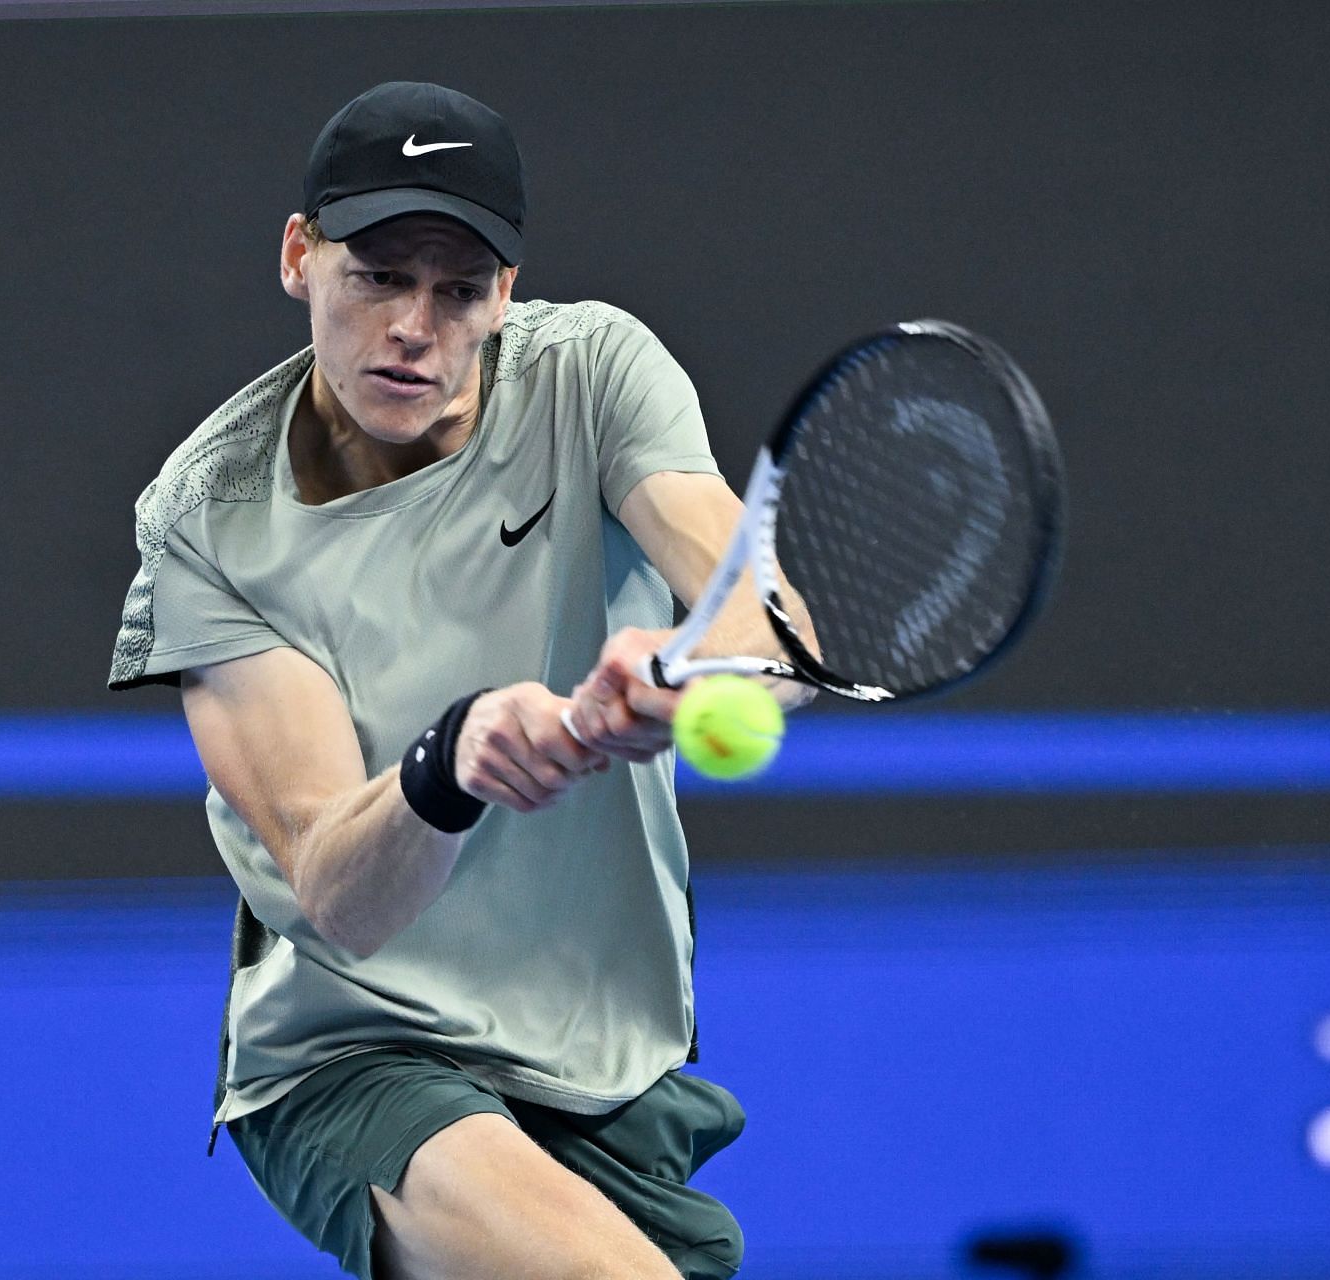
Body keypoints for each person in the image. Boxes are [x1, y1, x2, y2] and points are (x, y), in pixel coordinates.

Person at [108, 80, 809, 1280]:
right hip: (352, 1054)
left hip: (604, 1060)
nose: (413, 326)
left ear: (506, 296)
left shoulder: (593, 374)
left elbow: (760, 604)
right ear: (299, 256)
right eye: (377, 273)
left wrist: (693, 675)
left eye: (458, 287)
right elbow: (337, 881)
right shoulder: (209, 521)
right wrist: (452, 761)